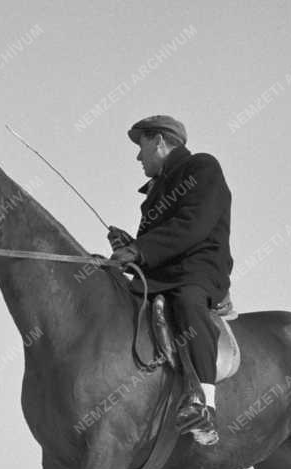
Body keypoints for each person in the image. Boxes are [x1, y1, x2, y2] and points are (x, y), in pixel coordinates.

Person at [108, 115, 232, 446]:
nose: (138, 157)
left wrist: (139, 250)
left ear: (161, 141)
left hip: (197, 269)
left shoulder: (202, 168)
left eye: (142, 146)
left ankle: (205, 405)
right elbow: (155, 242)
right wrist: (128, 247)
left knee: (188, 302)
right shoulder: (157, 188)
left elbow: (192, 225)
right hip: (161, 272)